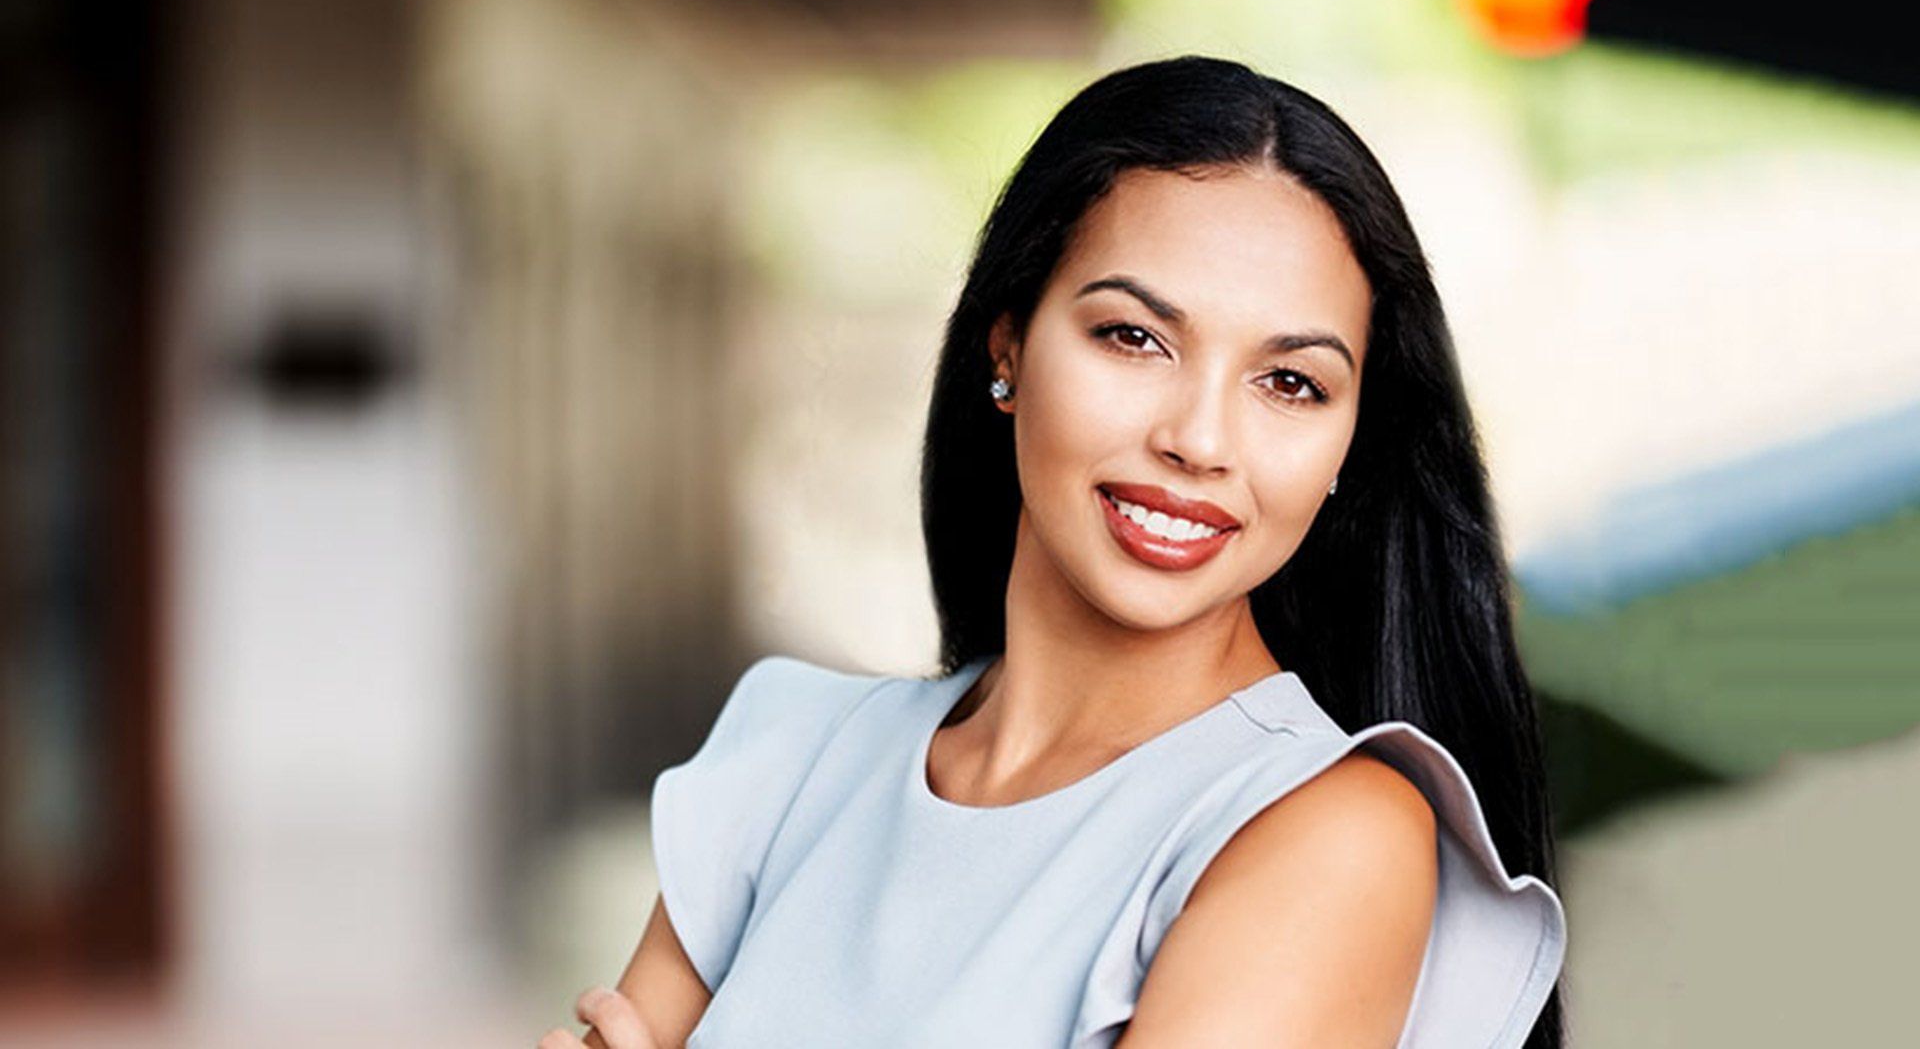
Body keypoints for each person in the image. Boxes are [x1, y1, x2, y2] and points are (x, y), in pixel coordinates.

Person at [540, 53, 1568, 1049]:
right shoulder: (790, 756)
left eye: (1290, 383)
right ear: (1009, 346)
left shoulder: (1326, 835)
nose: (1200, 441)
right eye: (1135, 337)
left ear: (1351, 442)